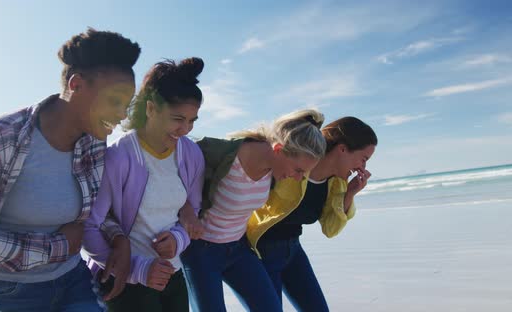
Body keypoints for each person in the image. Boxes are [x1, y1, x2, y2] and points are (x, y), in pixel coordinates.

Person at [0, 28, 140, 312]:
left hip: (71, 279)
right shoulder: (1, 137)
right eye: (115, 101)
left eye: (127, 104)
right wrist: (56, 247)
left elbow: (89, 215)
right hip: (4, 291)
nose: (123, 115)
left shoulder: (94, 142)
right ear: (76, 85)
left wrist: (118, 239)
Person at [83, 57, 205, 312]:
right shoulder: (120, 155)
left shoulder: (191, 154)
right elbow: (90, 226)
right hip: (126, 281)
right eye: (177, 119)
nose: (185, 129)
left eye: (192, 120)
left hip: (172, 274)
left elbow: (191, 214)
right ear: (151, 109)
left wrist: (177, 239)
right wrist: (138, 270)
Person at [180, 109, 326, 312]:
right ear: (278, 150)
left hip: (238, 249)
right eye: (298, 170)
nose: (299, 178)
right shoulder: (219, 154)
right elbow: (173, 177)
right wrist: (186, 213)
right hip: (202, 252)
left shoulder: (274, 172)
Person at [246, 116, 378, 312]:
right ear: (342, 149)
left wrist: (349, 194)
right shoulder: (294, 165)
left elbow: (330, 229)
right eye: (363, 158)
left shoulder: (336, 183)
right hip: (261, 251)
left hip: (293, 252)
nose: (362, 167)